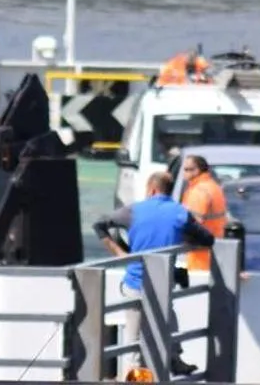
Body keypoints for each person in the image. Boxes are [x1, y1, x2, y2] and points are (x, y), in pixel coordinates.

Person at [93, 170, 214, 375]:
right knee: (169, 318)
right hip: (163, 284)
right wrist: (183, 238)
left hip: (136, 282)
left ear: (152, 190)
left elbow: (99, 225)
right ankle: (175, 359)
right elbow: (207, 239)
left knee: (134, 341)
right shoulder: (179, 212)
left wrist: (120, 253)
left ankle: (137, 373)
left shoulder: (133, 211)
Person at [178, 154, 228, 279]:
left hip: (200, 253)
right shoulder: (214, 186)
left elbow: (193, 224)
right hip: (215, 248)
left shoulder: (198, 191)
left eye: (188, 169)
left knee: (199, 285)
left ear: (198, 170)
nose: (184, 173)